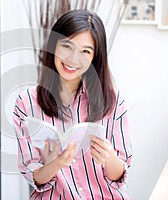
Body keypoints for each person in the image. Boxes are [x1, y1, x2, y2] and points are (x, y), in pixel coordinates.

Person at [13, 9, 132, 199]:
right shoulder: (26, 103)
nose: (73, 59)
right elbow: (33, 176)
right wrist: (57, 164)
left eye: (85, 51)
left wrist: (109, 158)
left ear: (95, 58)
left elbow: (119, 177)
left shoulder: (113, 101)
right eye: (67, 47)